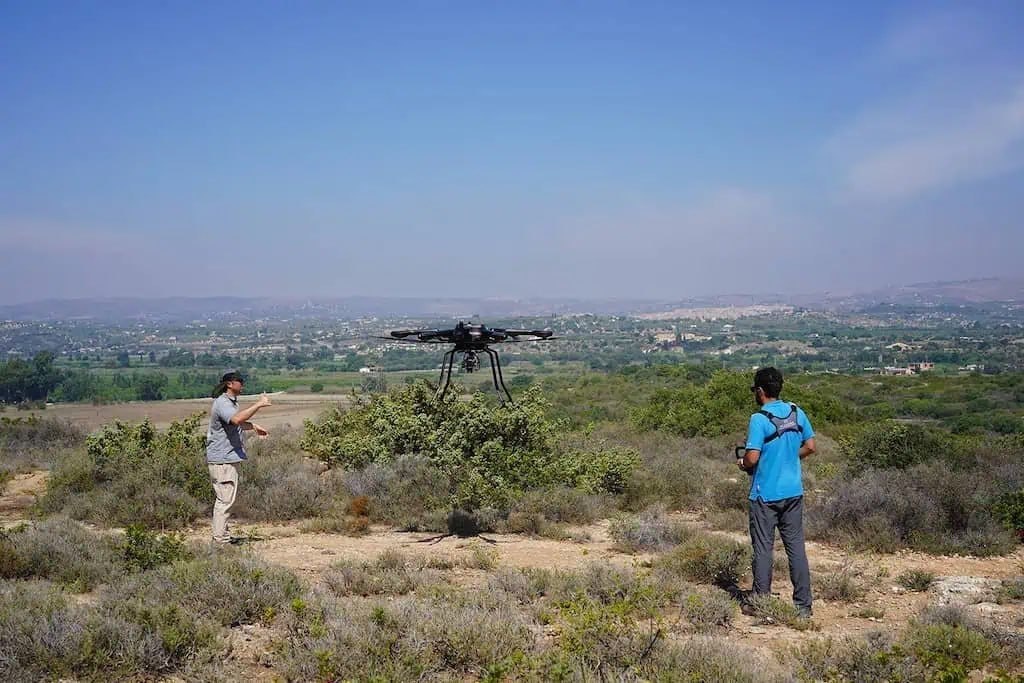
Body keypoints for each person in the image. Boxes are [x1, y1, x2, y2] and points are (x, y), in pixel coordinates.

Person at [737, 366, 816, 617]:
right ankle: (803, 606)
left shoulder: (759, 419)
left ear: (760, 392)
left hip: (765, 494)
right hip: (793, 491)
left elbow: (752, 457)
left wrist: (743, 464)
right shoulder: (796, 412)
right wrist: (790, 457)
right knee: (796, 548)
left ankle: (760, 601)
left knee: (763, 548)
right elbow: (811, 446)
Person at [205, 371, 271, 544]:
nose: (242, 384)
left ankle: (222, 535)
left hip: (226, 458)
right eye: (239, 381)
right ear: (229, 384)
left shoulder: (229, 403)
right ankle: (220, 540)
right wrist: (259, 405)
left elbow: (237, 423)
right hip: (223, 459)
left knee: (226, 498)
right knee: (225, 500)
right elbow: (236, 419)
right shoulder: (223, 403)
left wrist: (253, 426)